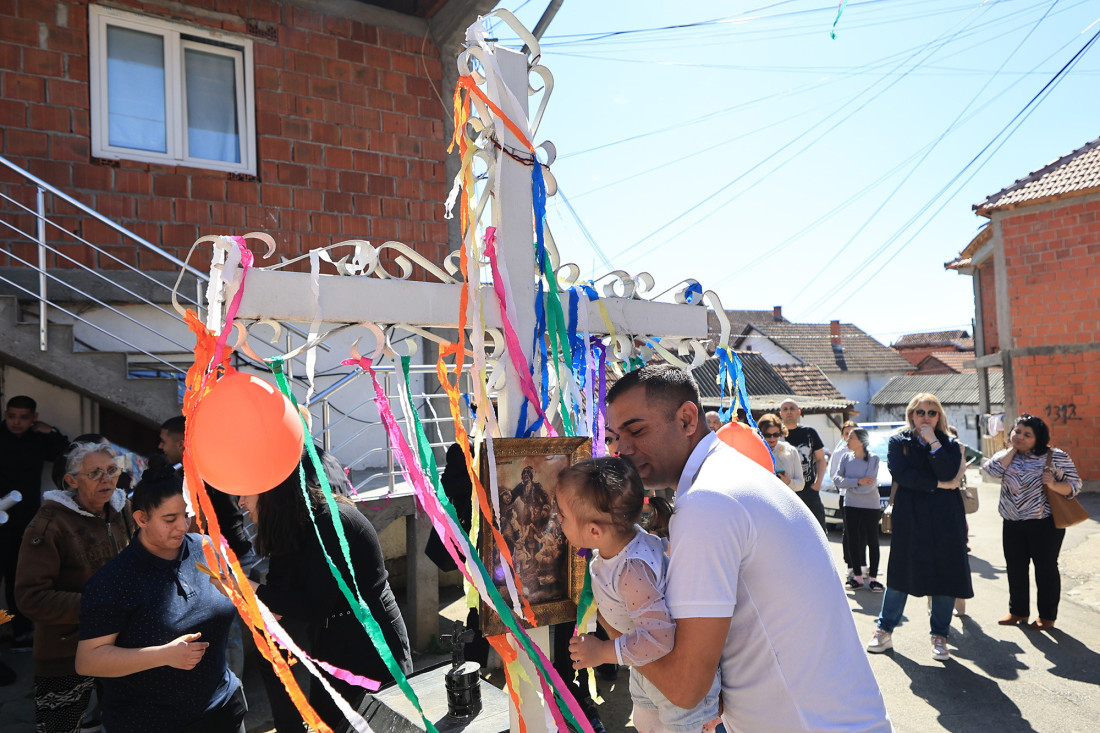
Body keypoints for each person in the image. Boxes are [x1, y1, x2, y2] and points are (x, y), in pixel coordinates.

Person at [603, 364, 891, 732]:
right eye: (615, 437)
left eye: (637, 431)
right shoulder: (729, 476)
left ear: (688, 419)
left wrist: (613, 621)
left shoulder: (709, 500)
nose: (622, 450)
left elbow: (685, 687)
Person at [237, 452, 412, 732]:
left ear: (271, 489)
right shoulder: (291, 525)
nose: (240, 501)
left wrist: (250, 588)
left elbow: (311, 605)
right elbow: (281, 603)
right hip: (330, 639)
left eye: (246, 491)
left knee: (377, 723)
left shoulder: (333, 521)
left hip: (371, 640)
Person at [75, 464, 244, 733]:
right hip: (151, 723)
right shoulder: (114, 580)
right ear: (141, 519)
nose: (182, 525)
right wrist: (164, 655)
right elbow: (89, 661)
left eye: (186, 514)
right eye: (169, 519)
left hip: (223, 709)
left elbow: (233, 598)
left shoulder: (205, 547)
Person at [564, 456, 720, 733]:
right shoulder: (618, 546)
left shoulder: (631, 571)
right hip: (646, 666)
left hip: (676, 675)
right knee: (645, 724)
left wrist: (602, 651)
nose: (558, 521)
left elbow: (659, 639)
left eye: (563, 516)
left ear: (594, 531)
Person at [14, 442, 134, 733]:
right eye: (94, 473)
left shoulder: (122, 510)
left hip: (121, 644)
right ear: (71, 480)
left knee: (125, 721)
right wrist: (101, 606)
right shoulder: (48, 525)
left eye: (111, 470)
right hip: (65, 651)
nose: (106, 480)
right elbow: (31, 598)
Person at [866, 393, 971, 662]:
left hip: (946, 517)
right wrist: (937, 485)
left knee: (945, 577)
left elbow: (949, 473)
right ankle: (884, 630)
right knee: (902, 574)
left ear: (939, 416)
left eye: (932, 412)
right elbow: (902, 475)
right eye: (920, 412)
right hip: (911, 516)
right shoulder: (898, 442)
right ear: (911, 414)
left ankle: (940, 635)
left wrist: (933, 442)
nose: (925, 417)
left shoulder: (948, 443)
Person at [982, 414, 1082, 630]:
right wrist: (1013, 449)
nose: (1020, 436)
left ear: (1039, 438)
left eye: (1027, 434)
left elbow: (1075, 485)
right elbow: (991, 471)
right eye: (1017, 432)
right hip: (1012, 522)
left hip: (1043, 523)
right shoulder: (1007, 455)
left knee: (1045, 569)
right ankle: (1018, 612)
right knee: (1015, 568)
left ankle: (1047, 616)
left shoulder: (1055, 456)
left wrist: (1054, 485)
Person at [0, 395, 69, 642]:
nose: (16, 422)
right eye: (12, 416)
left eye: (24, 417)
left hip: (25, 519)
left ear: (34, 418)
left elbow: (67, 455)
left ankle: (19, 632)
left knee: (18, 576)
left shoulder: (39, 440)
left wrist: (50, 431)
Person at [832, 428, 883, 592]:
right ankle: (857, 577)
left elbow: (870, 485)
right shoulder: (846, 457)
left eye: (851, 437)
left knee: (872, 540)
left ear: (861, 441)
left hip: (870, 505)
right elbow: (837, 479)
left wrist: (851, 483)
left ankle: (874, 578)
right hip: (850, 503)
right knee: (852, 540)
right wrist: (858, 481)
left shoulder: (873, 458)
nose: (847, 440)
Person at [778, 398, 827, 532]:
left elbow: (821, 459)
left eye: (792, 408)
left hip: (809, 491)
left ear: (799, 412)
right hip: (785, 492)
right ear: (780, 414)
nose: (789, 412)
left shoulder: (809, 433)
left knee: (818, 531)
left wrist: (817, 484)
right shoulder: (775, 435)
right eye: (785, 409)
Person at [756, 413, 804, 492]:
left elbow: (800, 484)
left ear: (781, 432)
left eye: (776, 434)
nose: (772, 438)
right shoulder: (753, 452)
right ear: (760, 434)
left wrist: (788, 482)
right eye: (767, 435)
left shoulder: (791, 451)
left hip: (786, 500)